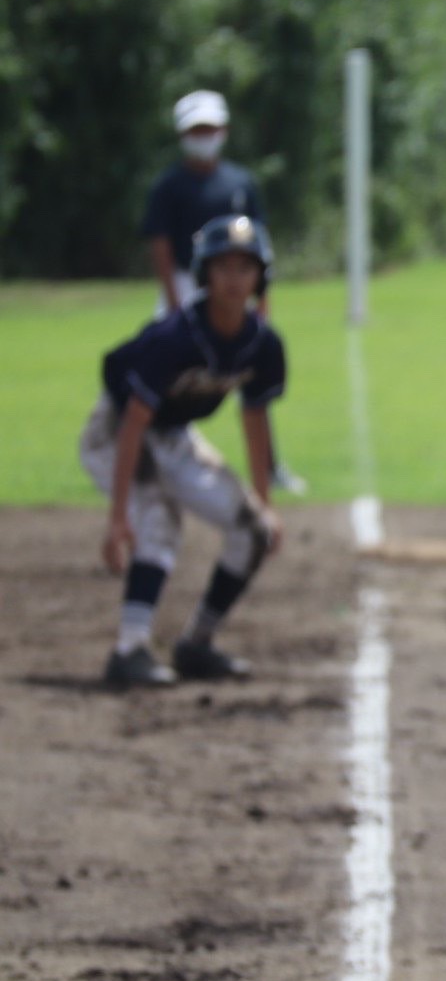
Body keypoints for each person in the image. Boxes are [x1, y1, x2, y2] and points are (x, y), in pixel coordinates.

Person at [81, 214, 286, 688]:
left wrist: (266, 502)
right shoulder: (175, 337)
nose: (235, 279)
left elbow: (255, 421)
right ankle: (129, 649)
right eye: (223, 267)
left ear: (261, 277)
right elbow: (133, 423)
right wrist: (117, 519)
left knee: (252, 529)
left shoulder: (263, 344)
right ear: (204, 275)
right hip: (114, 431)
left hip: (172, 435)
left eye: (245, 267)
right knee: (157, 519)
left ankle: (197, 644)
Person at [140, 89, 306, 495]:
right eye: (197, 128)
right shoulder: (170, 186)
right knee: (169, 377)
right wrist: (173, 299)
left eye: (210, 127)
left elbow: (260, 243)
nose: (205, 135)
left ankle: (268, 466)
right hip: (185, 284)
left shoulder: (240, 183)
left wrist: (261, 298)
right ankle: (154, 459)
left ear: (224, 130)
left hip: (238, 289)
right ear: (183, 134)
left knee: (254, 377)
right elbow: (160, 242)